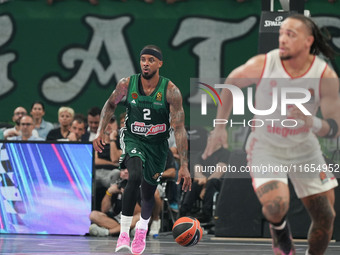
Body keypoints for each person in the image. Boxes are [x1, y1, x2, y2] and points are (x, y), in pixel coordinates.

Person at [203, 14, 339, 255]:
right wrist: (220, 126)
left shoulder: (324, 76)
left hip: (304, 149)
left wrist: (312, 122)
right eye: (281, 33)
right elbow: (233, 81)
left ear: (308, 41)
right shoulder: (265, 64)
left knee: (326, 217)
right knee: (276, 205)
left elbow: (333, 128)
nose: (283, 39)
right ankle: (279, 229)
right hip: (266, 147)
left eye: (291, 34)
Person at [93, 45, 191, 254]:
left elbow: (180, 129)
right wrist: (101, 131)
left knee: (148, 193)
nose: (146, 63)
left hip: (157, 145)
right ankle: (123, 235)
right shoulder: (127, 84)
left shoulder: (171, 90)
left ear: (159, 63)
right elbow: (110, 104)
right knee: (134, 176)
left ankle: (141, 231)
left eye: (151, 60)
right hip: (133, 138)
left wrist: (184, 165)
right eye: (143, 59)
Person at [89, 168, 142, 236]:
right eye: (123, 170)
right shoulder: (118, 185)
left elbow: (138, 213)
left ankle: (108, 232)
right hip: (118, 219)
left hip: (132, 219)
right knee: (93, 215)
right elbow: (104, 210)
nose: (125, 171)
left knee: (140, 217)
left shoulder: (140, 187)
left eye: (128, 169)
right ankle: (126, 231)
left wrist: (128, 196)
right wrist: (109, 193)